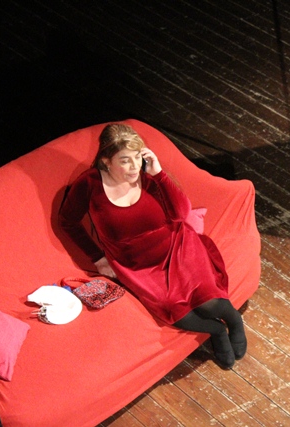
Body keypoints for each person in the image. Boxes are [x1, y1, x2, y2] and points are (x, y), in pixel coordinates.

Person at [59, 123, 246, 369]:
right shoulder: (89, 184)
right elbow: (68, 221)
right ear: (106, 161)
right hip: (137, 265)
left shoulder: (149, 176)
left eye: (137, 157)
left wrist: (159, 174)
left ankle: (234, 321)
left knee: (211, 302)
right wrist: (98, 258)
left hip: (177, 247)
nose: (134, 166)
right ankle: (217, 330)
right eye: (125, 160)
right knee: (175, 312)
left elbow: (181, 214)